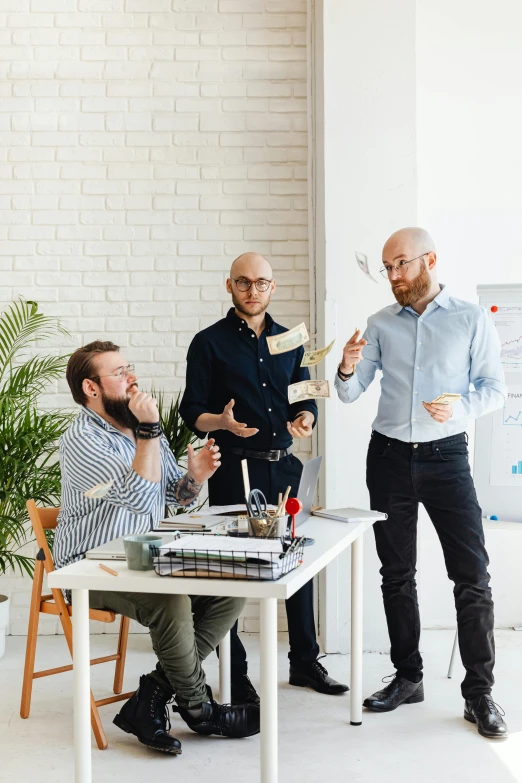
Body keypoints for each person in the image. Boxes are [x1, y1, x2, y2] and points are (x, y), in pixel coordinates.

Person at [335, 227, 508, 739]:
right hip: (387, 457)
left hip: (447, 457)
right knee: (396, 574)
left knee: (472, 577)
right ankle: (409, 677)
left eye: (402, 265)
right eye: (387, 268)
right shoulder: (379, 324)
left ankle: (480, 694)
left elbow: (495, 388)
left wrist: (461, 408)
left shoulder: (470, 318)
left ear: (429, 259)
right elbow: (350, 394)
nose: (393, 276)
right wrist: (346, 368)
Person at [53, 341, 260, 756]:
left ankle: (151, 694)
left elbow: (173, 494)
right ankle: (199, 709)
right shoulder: (80, 439)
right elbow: (135, 494)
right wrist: (148, 430)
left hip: (145, 558)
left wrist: (195, 477)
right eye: (119, 372)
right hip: (90, 567)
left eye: (130, 367)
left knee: (234, 586)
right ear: (91, 388)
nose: (131, 377)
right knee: (172, 605)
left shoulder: (140, 426)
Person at [180, 252, 348, 705]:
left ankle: (305, 663)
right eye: (243, 282)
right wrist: (222, 421)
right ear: (229, 285)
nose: (252, 291)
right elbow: (191, 412)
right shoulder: (208, 343)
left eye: (261, 283)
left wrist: (306, 419)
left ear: (273, 288)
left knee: (297, 562)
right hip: (235, 469)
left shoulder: (290, 340)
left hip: (286, 467)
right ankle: (234, 673)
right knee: (233, 572)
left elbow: (304, 394)